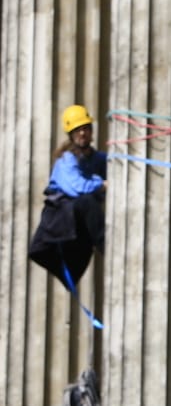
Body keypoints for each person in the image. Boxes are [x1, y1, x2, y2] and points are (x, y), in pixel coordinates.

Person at [29, 104, 108, 286]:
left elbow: (114, 162)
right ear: (71, 135)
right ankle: (108, 247)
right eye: (77, 130)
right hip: (60, 221)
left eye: (85, 129)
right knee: (86, 201)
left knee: (88, 207)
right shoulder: (66, 159)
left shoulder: (96, 158)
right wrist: (102, 184)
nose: (82, 134)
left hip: (77, 226)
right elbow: (77, 188)